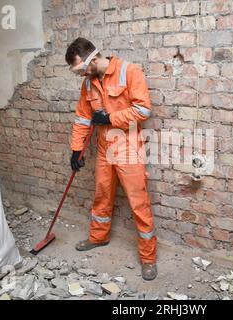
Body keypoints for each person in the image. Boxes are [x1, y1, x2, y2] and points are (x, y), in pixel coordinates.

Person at [65, 38, 157, 281]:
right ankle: (98, 237)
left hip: (128, 149)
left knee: (139, 203)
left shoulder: (130, 71)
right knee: (102, 195)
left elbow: (143, 110)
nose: (79, 75)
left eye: (79, 69)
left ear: (92, 59)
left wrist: (111, 118)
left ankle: (148, 258)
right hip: (105, 150)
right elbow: (83, 119)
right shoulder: (88, 84)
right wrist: (76, 150)